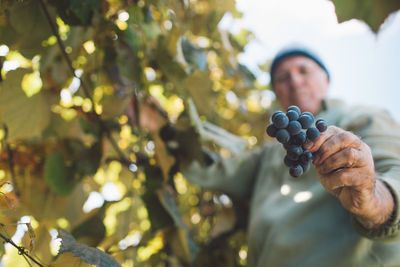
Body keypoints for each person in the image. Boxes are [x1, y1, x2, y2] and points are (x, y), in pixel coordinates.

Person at [141, 46, 400, 266]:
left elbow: (396, 174)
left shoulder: (363, 118)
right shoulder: (270, 151)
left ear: (326, 79)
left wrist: (373, 199)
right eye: (283, 78)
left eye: (303, 71)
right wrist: (164, 131)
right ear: (277, 92)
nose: (295, 81)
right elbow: (216, 169)